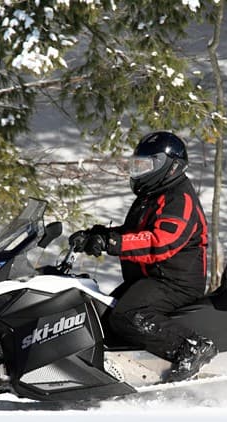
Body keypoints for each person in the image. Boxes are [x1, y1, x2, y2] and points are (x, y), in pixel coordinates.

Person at [69, 131, 217, 382]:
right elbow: (134, 234)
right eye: (137, 165)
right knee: (100, 314)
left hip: (175, 283)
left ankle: (191, 347)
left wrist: (113, 242)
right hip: (150, 279)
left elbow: (160, 242)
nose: (139, 172)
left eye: (146, 166)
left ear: (169, 166)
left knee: (129, 314)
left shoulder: (179, 199)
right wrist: (99, 235)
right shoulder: (152, 197)